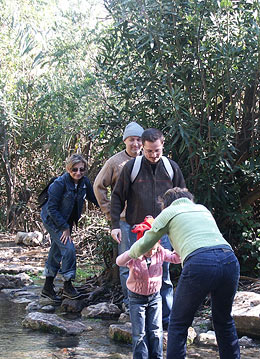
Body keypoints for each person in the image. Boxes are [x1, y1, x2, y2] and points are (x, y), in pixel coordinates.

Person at [124, 187, 242, 359]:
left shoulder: (168, 212)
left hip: (200, 263)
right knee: (224, 320)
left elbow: (147, 241)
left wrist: (129, 255)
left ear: (166, 204)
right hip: (229, 259)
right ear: (189, 199)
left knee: (178, 323)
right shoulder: (202, 209)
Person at [110, 128, 186, 328]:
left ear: (163, 146)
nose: (153, 155)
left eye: (157, 151)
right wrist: (115, 225)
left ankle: (165, 318)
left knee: (165, 272)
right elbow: (117, 197)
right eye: (149, 151)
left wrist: (181, 226)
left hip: (164, 229)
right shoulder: (131, 168)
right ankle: (132, 309)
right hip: (135, 228)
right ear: (142, 148)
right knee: (130, 269)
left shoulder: (171, 168)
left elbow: (182, 198)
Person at [116, 216, 181, 359]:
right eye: (147, 247)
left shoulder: (160, 252)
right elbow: (119, 261)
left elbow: (176, 258)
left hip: (155, 297)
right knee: (139, 333)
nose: (151, 251)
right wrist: (132, 251)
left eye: (153, 246)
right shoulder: (134, 255)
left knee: (156, 331)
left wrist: (179, 245)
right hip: (136, 298)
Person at [93, 122, 144, 309]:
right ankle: (129, 301)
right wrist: (110, 213)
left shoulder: (149, 159)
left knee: (147, 261)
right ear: (125, 141)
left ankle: (145, 300)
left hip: (146, 222)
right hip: (123, 221)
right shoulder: (115, 162)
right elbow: (98, 187)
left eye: (139, 140)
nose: (136, 144)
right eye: (132, 140)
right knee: (126, 262)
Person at [40, 153, 98, 300]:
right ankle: (67, 284)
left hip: (67, 220)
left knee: (56, 249)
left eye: (81, 169)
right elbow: (52, 209)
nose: (78, 173)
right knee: (69, 248)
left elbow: (94, 198)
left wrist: (111, 207)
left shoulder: (84, 183)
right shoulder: (59, 184)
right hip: (53, 220)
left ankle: (47, 287)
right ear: (68, 169)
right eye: (74, 169)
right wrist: (64, 227)